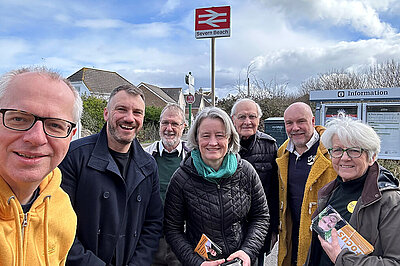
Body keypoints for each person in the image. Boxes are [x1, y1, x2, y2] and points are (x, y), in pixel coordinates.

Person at [59, 85, 163, 265]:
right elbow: (59, 226)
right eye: (121, 109)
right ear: (106, 113)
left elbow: (153, 223)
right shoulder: (74, 156)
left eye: (137, 112)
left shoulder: (149, 165)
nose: (129, 118)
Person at [164, 107, 269, 266]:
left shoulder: (246, 171)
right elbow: (172, 229)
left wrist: (248, 251)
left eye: (220, 135)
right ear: (196, 138)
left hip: (240, 261)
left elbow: (261, 216)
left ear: (230, 138)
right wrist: (196, 262)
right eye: (206, 136)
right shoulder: (181, 178)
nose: (213, 142)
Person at [0, 67, 82, 265]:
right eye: (18, 119)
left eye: (55, 125)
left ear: (70, 137)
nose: (36, 138)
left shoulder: (63, 211)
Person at [305, 117, 400, 265]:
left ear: (372, 157)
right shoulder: (328, 193)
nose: (344, 158)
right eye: (337, 150)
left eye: (354, 151)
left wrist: (342, 259)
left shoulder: (390, 201)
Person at [276, 102, 337, 266]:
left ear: (312, 121)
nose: (295, 128)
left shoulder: (332, 150)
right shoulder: (283, 153)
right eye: (289, 123)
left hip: (324, 239)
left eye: (300, 121)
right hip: (292, 236)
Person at [231, 98, 279, 265]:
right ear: (232, 119)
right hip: (227, 229)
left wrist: (273, 229)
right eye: (242, 117)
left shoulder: (270, 146)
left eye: (252, 116)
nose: (247, 122)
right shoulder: (222, 145)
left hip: (257, 229)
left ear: (259, 120)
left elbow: (274, 192)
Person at [145, 103, 188, 266]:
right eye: (165, 123)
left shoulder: (192, 158)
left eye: (175, 124)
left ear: (183, 127)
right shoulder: (145, 156)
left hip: (182, 238)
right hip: (151, 238)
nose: (169, 128)